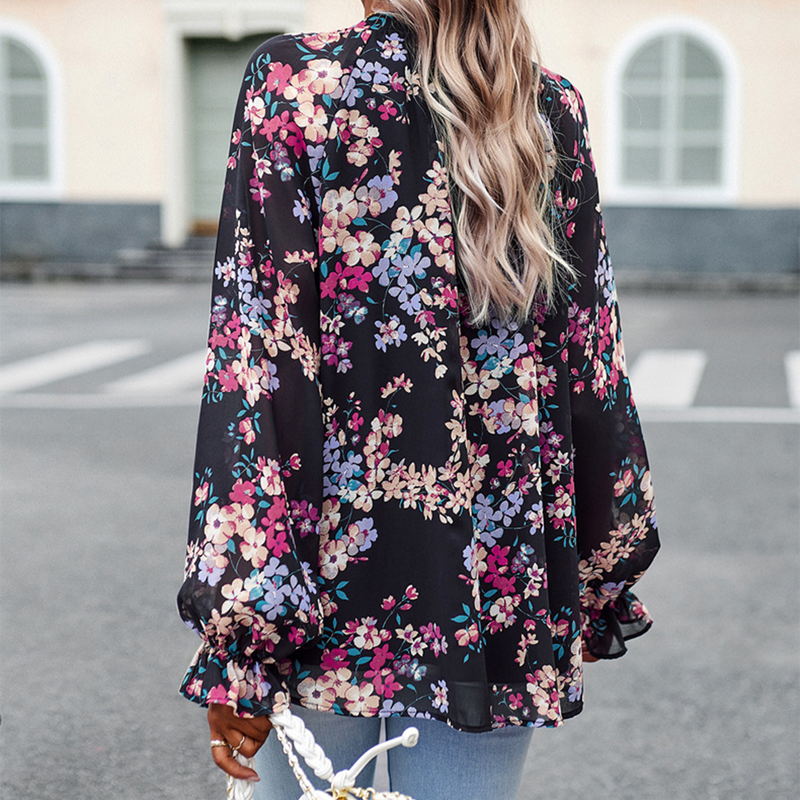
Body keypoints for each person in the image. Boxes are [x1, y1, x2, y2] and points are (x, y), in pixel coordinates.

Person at [177, 1, 661, 798]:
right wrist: (600, 569)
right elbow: (591, 367)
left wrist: (245, 638)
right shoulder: (547, 108)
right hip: (497, 595)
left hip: (326, 584)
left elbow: (258, 365)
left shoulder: (295, 84)